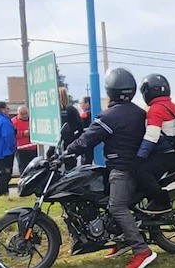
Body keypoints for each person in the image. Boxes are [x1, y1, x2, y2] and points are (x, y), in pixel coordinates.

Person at [65, 68, 156, 268]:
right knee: (104, 202)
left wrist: (68, 152)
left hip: (123, 168)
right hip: (133, 165)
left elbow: (88, 138)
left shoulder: (111, 116)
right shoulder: (138, 112)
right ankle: (121, 239)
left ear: (110, 90)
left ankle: (142, 251)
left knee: (116, 206)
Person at [135, 73, 175, 214]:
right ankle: (152, 204)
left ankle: (161, 202)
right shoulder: (171, 105)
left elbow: (152, 136)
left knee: (141, 171)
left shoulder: (156, 109)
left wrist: (139, 157)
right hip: (174, 153)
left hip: (165, 154)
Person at [12, 106, 37, 174]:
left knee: (35, 167)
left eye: (26, 113)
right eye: (22, 114)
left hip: (33, 147)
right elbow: (12, 134)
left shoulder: (33, 119)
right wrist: (23, 133)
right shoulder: (14, 122)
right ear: (18, 113)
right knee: (23, 168)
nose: (25, 116)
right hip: (21, 149)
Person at [78, 97, 94, 165]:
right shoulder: (96, 111)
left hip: (86, 140)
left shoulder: (85, 114)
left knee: (85, 161)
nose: (80, 105)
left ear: (87, 103)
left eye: (81, 103)